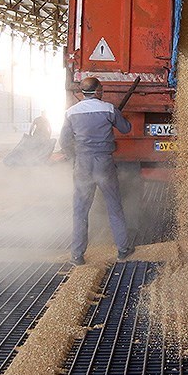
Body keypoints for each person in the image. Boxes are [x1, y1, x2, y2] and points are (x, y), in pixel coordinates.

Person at [59, 76, 135, 265]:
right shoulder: (108, 109)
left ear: (83, 92)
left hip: (83, 164)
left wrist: (73, 158)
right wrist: (118, 117)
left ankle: (77, 255)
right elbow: (126, 129)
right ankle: (123, 249)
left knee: (80, 210)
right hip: (104, 163)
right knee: (114, 206)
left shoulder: (70, 113)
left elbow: (64, 142)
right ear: (98, 90)